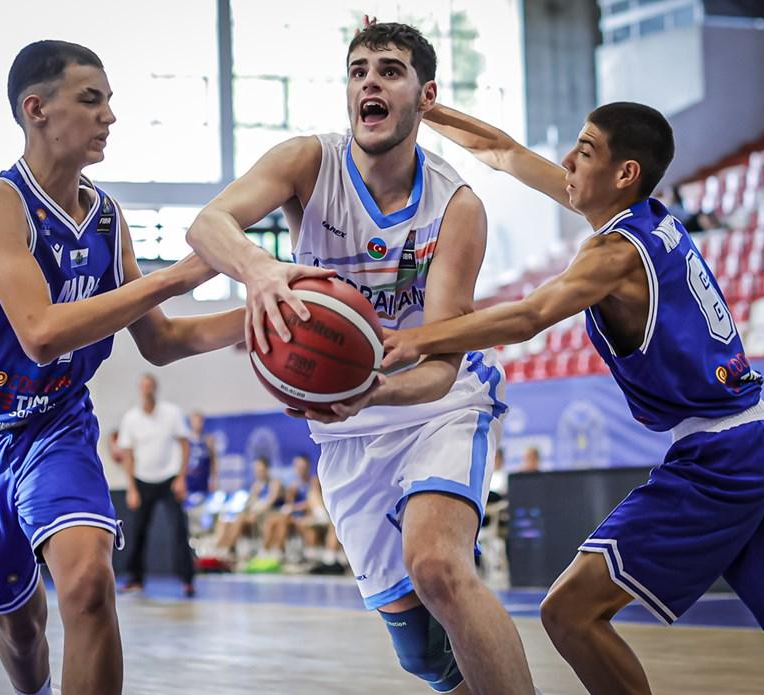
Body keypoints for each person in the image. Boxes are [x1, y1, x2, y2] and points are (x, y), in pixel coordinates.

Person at [382, 101, 764, 692]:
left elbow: (528, 317)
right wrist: (421, 109)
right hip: (760, 437)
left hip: (722, 457)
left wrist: (414, 338)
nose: (566, 161)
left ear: (625, 172)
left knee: (569, 612)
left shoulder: (615, 254)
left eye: (584, 150)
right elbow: (503, 152)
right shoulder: (648, 217)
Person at [188, 21, 534, 695]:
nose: (369, 81)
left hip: (437, 405)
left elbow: (439, 367)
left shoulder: (455, 206)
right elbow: (208, 224)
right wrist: (261, 270)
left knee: (438, 567)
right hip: (347, 427)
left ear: (425, 96)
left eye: (390, 70)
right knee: (424, 655)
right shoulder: (307, 162)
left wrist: (373, 390)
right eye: (358, 70)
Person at [0, 40, 244, 695]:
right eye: (92, 100)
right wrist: (177, 276)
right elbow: (39, 334)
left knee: (89, 584)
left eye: (109, 101)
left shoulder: (106, 218)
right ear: (37, 109)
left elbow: (162, 339)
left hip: (54, 424)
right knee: (22, 627)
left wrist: (266, 314)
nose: (109, 115)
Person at [117, 373, 195, 596]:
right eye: (143, 386)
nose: (147, 390)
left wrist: (181, 478)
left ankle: (187, 580)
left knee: (179, 528)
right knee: (138, 531)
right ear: (139, 390)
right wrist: (131, 488)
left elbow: (184, 445)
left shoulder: (172, 413)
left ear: (155, 388)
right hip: (142, 480)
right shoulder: (131, 418)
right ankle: (135, 579)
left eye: (150, 386)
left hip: (170, 479)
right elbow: (127, 455)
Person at [213, 456, 283, 560]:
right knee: (226, 521)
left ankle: (228, 548)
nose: (258, 473)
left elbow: (271, 501)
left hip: (268, 514)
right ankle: (222, 547)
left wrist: (256, 511)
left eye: (260, 470)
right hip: (254, 515)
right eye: (256, 470)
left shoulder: (275, 483)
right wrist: (252, 505)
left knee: (243, 518)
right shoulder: (256, 485)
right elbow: (249, 504)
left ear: (266, 469)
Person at [185, 410, 219, 501]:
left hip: (203, 482)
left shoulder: (208, 439)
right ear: (190, 422)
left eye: (199, 421)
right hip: (189, 482)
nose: (197, 424)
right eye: (194, 421)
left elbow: (213, 460)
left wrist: (214, 479)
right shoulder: (186, 440)